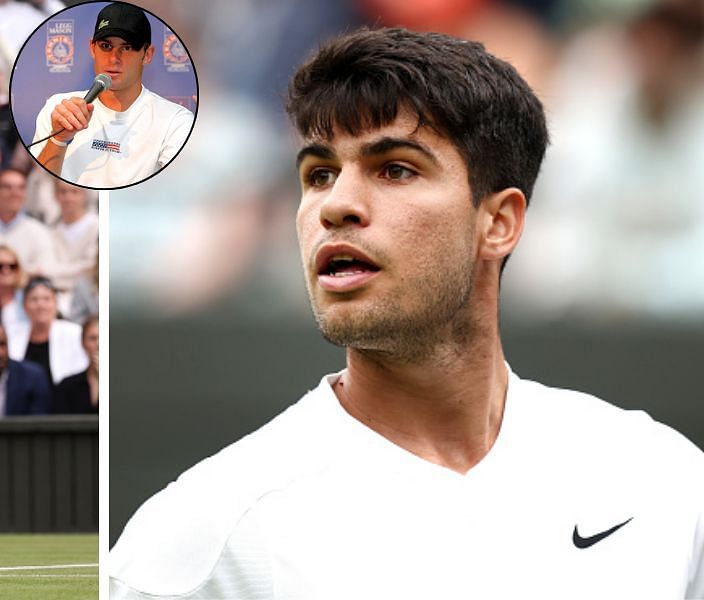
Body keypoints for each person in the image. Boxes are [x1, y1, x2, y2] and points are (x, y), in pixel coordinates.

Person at [109, 28, 704, 598]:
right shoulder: (197, 540)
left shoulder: (662, 477)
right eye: (318, 174)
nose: (335, 204)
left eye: (394, 168)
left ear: (499, 222)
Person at [30, 2, 194, 188]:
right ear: (92, 49)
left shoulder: (175, 120)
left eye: (127, 47)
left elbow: (175, 194)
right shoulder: (59, 107)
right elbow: (38, 189)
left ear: (147, 54)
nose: (114, 58)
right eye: (106, 46)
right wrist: (58, 139)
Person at [6, 277, 86, 388]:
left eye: (47, 299)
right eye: (34, 299)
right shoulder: (11, 333)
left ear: (56, 304)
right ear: (24, 306)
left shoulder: (74, 333)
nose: (41, 305)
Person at [47, 179, 99, 291]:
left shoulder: (97, 227)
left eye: (74, 192)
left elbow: (90, 265)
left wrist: (55, 272)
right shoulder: (50, 231)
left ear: (84, 195)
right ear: (55, 195)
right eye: (63, 192)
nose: (68, 198)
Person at [52, 314, 98, 414]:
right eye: (93, 338)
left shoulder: (125, 386)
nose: (99, 344)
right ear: (83, 343)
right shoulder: (67, 386)